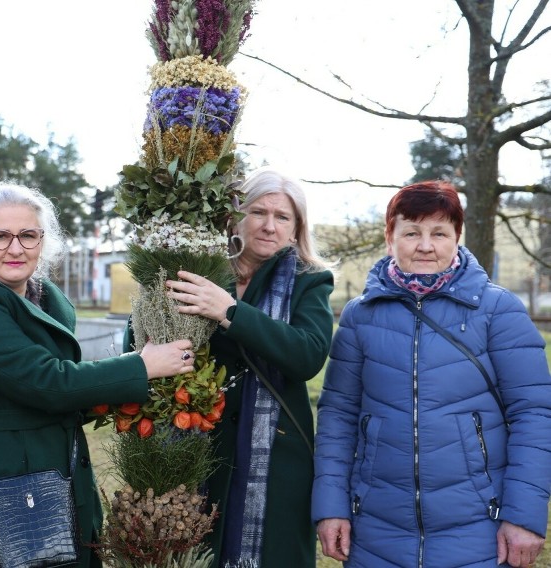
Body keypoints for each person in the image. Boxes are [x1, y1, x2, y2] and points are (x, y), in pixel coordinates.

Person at [0, 181, 194, 567]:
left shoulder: (46, 299)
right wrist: (142, 366)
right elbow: (48, 381)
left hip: (49, 477)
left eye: (28, 235)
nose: (16, 248)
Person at [312, 180, 551, 568]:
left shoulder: (498, 310)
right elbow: (338, 416)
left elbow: (535, 415)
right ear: (390, 237)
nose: (425, 245)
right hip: (376, 531)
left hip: (479, 529)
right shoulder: (360, 315)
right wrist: (331, 507)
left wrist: (523, 516)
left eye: (439, 232)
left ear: (457, 236)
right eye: (412, 232)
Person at [164, 167, 335, 567]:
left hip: (275, 457)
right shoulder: (200, 269)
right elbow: (142, 341)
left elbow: (307, 355)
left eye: (283, 217)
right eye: (259, 212)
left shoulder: (310, 281)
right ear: (236, 215)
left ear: (296, 229)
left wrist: (229, 312)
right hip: (198, 442)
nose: (270, 226)